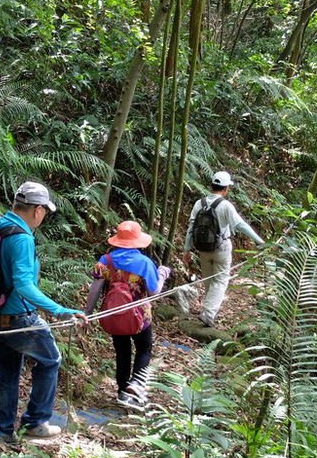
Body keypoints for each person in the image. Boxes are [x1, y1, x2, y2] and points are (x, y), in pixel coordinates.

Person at [0, 182, 86, 441]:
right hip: (19, 318)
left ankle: (2, 431)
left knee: (7, 374)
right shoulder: (21, 237)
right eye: (45, 212)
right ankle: (35, 422)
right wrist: (60, 310)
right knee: (51, 360)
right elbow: (23, 284)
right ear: (38, 210)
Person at [84, 221, 170, 410]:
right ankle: (135, 386)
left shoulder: (106, 260)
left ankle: (122, 390)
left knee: (122, 352)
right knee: (144, 349)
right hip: (140, 317)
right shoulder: (145, 263)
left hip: (114, 314)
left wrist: (87, 313)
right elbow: (154, 292)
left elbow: (95, 289)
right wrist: (162, 274)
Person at [183, 171, 264, 328]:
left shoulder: (199, 204)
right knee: (220, 281)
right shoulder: (226, 206)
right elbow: (241, 225)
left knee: (208, 279)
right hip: (222, 248)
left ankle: (207, 310)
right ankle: (208, 313)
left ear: (212, 185)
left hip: (203, 249)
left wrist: (186, 249)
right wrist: (259, 241)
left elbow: (191, 229)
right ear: (226, 188)